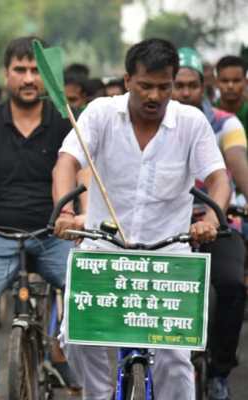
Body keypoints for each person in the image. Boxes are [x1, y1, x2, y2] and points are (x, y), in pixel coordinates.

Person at [53, 38, 230, 400]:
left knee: (175, 361)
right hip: (103, 249)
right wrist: (66, 212)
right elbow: (67, 162)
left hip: (170, 257)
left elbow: (218, 179)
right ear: (128, 79)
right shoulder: (101, 113)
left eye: (164, 87)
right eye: (145, 86)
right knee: (76, 337)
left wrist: (213, 216)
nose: (154, 96)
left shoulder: (191, 123)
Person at [0, 36, 76, 400]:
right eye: (20, 70)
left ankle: (83, 372)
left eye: (36, 70)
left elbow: (81, 175)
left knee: (85, 289)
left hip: (54, 232)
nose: (29, 78)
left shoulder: (65, 120)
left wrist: (75, 215)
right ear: (6, 74)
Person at [173, 47, 248, 400]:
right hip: (167, 227)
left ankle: (218, 370)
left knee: (232, 286)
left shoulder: (224, 123)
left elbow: (236, 163)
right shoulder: (155, 124)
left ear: (205, 86)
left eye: (192, 85)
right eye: (178, 85)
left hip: (217, 223)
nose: (184, 93)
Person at [215, 55, 248, 130]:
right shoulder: (208, 114)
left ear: (246, 82)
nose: (230, 86)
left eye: (236, 80)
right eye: (225, 81)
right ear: (216, 82)